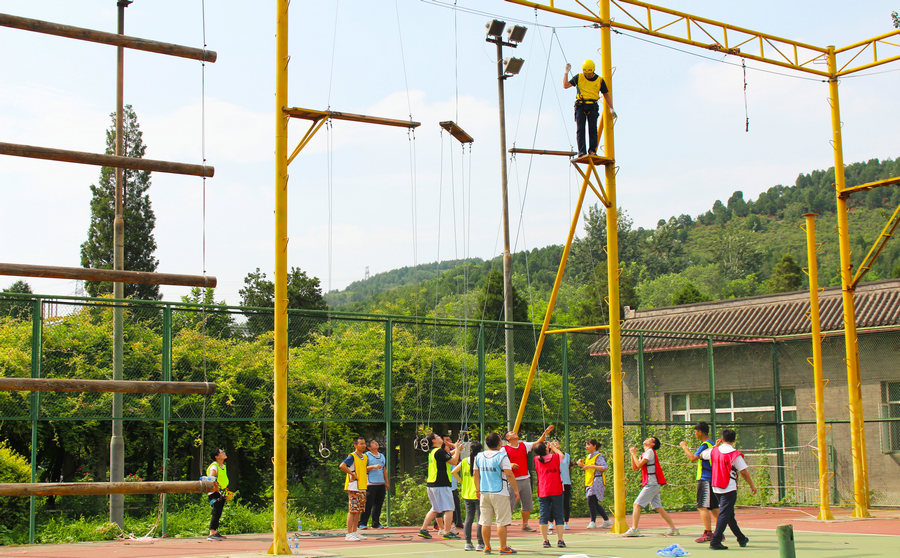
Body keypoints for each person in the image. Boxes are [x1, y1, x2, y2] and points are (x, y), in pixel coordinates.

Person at [700, 429, 757, 550]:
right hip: (729, 488)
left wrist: (715, 446)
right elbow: (744, 472)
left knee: (729, 514)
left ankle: (741, 538)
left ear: (722, 438)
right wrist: (752, 485)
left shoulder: (714, 451)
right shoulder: (734, 454)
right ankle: (715, 540)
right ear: (734, 440)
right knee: (724, 514)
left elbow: (701, 455)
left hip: (716, 487)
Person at [474, 432, 519, 555]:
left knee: (485, 521)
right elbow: (509, 474)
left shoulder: (479, 456)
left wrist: (477, 489)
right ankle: (503, 547)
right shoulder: (502, 456)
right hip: (500, 492)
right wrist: (515, 489)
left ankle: (487, 547)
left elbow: (476, 474)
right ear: (499, 443)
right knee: (502, 522)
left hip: (484, 491)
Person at [625, 436, 679, 537]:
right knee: (658, 507)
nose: (647, 438)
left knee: (636, 505)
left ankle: (635, 529)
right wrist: (633, 455)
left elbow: (639, 464)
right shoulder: (644, 454)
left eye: (650, 438)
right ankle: (673, 529)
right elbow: (635, 467)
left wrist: (633, 454)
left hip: (652, 483)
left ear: (652, 444)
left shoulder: (650, 451)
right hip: (652, 483)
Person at [503, 424, 553, 532]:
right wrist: (510, 464)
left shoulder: (523, 445)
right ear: (508, 438)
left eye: (514, 432)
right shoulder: (504, 449)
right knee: (509, 503)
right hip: (513, 480)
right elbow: (500, 461)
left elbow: (538, 442)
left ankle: (525, 525)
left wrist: (545, 433)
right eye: (511, 433)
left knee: (527, 504)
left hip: (525, 478)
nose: (514, 433)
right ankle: (504, 525)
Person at [563, 59, 615, 157]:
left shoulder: (599, 80)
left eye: (589, 73)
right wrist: (566, 72)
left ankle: (592, 151)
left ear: (593, 71)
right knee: (580, 129)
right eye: (586, 73)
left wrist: (611, 108)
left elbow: (606, 95)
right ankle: (581, 151)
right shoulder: (579, 77)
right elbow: (565, 85)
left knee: (593, 129)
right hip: (580, 106)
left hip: (592, 106)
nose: (587, 75)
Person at [679, 421, 720, 543]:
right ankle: (719, 532)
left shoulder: (705, 445)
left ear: (700, 432)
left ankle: (708, 532)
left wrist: (684, 447)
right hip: (712, 479)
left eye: (695, 432)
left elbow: (692, 458)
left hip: (705, 479)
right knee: (713, 507)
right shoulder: (712, 444)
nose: (695, 434)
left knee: (702, 506)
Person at [418, 432, 462, 540]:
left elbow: (447, 456)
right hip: (441, 484)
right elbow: (454, 461)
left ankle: (423, 529)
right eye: (437, 436)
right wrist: (457, 451)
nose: (439, 437)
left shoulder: (433, 452)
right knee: (449, 508)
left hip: (432, 484)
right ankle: (447, 532)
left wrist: (456, 449)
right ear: (433, 440)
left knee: (435, 508)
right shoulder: (439, 451)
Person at [452, 440, 486, 552]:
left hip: (467, 494)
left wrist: (461, 481)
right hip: (478, 493)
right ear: (481, 450)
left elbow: (454, 472)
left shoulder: (465, 461)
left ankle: (468, 542)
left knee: (468, 519)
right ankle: (480, 543)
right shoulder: (481, 461)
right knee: (480, 519)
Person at [533, 442, 567, 549]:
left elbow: (546, 457)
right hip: (556, 489)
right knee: (559, 515)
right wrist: (554, 448)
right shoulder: (556, 457)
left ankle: (545, 540)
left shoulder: (536, 459)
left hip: (543, 490)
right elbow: (561, 456)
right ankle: (560, 540)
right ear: (547, 449)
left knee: (544, 516)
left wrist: (549, 449)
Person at [576, 438, 612, 529]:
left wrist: (591, 466)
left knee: (591, 499)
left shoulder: (599, 456)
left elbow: (604, 467)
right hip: (589, 480)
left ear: (594, 446)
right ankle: (606, 520)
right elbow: (587, 468)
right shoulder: (588, 456)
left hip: (597, 480)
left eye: (588, 445)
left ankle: (593, 521)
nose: (586, 447)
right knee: (593, 501)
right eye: (586, 445)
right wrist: (581, 465)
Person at [339, 436, 369, 542]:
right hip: (354, 487)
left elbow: (363, 469)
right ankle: (349, 533)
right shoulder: (352, 456)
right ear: (355, 445)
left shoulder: (365, 457)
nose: (363, 445)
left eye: (364, 443)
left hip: (362, 486)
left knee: (358, 510)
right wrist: (352, 474)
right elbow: (342, 466)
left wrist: (373, 467)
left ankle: (355, 531)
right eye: (361, 444)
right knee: (352, 510)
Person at [359, 439, 389, 530]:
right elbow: (362, 468)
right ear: (369, 447)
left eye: (376, 442)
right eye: (373, 443)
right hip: (370, 483)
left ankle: (376, 523)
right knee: (368, 504)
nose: (376, 443)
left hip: (381, 482)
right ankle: (362, 523)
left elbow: (384, 469)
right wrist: (373, 467)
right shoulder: (366, 456)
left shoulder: (382, 456)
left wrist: (386, 482)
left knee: (378, 504)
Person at [548, 440, 572, 531]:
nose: (555, 444)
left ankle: (566, 522)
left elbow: (565, 464)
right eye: (553, 443)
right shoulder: (550, 456)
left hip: (565, 482)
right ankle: (550, 522)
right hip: (554, 482)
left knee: (566, 503)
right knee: (552, 503)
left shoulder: (566, 456)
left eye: (556, 443)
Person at [206, 448, 229, 541]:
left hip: (221, 492)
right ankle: (211, 533)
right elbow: (211, 477)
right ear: (217, 456)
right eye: (221, 452)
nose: (224, 453)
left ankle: (215, 531)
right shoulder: (214, 466)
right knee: (216, 512)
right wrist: (215, 486)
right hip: (215, 492)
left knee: (218, 512)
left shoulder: (222, 466)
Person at [445, 435, 465, 530]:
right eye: (446, 440)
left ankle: (458, 522)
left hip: (452, 483)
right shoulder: (439, 453)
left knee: (456, 503)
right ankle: (439, 525)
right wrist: (457, 448)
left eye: (449, 440)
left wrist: (457, 448)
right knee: (442, 506)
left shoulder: (451, 451)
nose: (448, 442)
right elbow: (451, 458)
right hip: (444, 483)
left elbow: (455, 459)